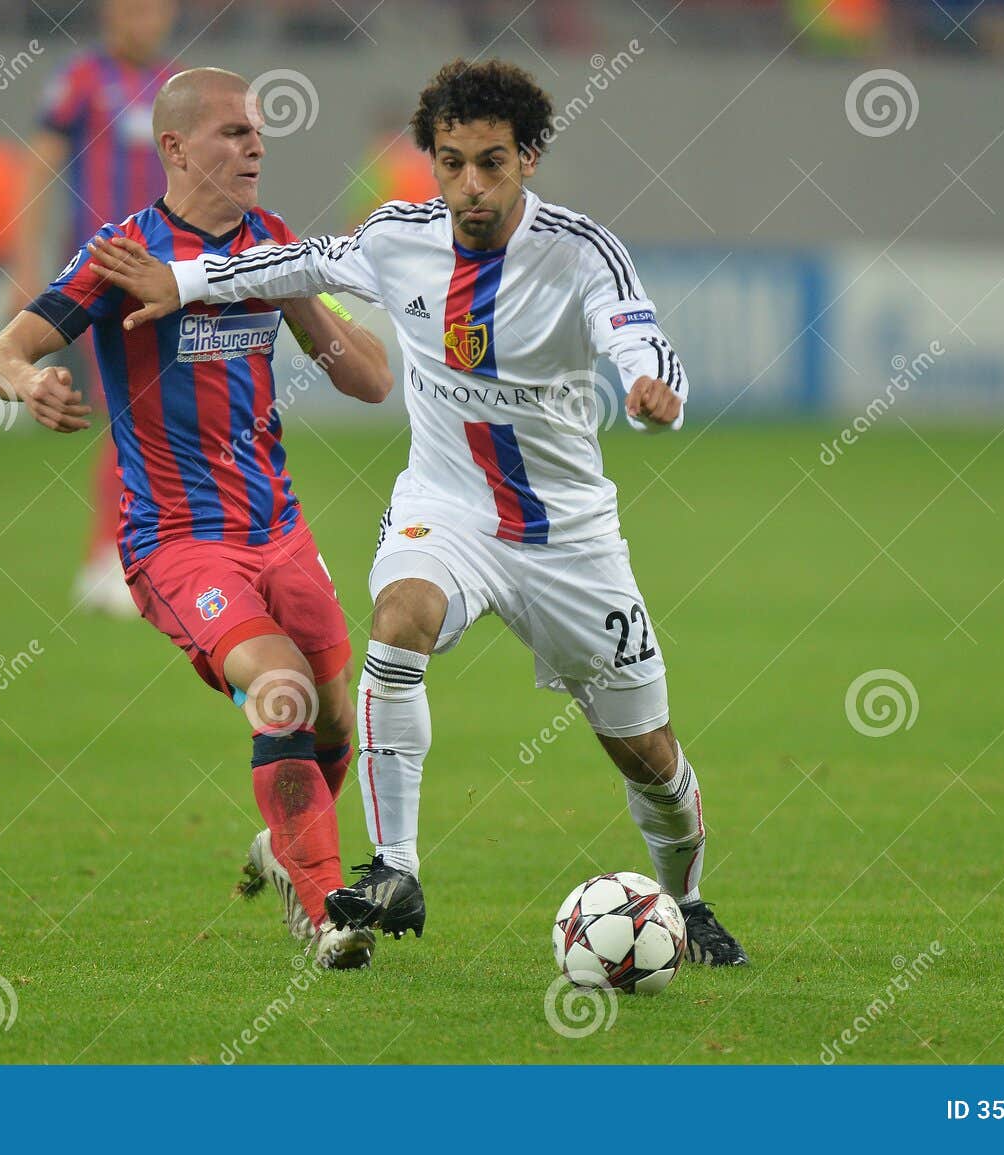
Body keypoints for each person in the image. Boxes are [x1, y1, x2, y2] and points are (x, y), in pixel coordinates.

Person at [81, 59, 748, 969]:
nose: (470, 184)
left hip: (569, 541)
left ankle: (690, 897)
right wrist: (185, 282)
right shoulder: (399, 237)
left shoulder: (579, 250)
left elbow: (636, 329)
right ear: (431, 159)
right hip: (447, 508)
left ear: (529, 160)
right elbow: (294, 261)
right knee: (400, 619)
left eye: (492, 163)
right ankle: (395, 866)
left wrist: (648, 384)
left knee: (649, 757)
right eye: (451, 162)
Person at [0, 67, 394, 969]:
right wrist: (29, 381)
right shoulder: (121, 257)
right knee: (275, 691)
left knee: (330, 730)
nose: (255, 147)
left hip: (280, 529)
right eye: (234, 133)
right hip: (177, 543)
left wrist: (296, 298)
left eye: (257, 134)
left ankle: (281, 849)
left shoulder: (270, 244)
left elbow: (370, 382)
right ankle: (326, 912)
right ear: (174, 147)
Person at [11, 0, 179, 616]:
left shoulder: (177, 86)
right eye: (134, 10)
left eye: (156, 10)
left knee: (157, 417)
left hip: (168, 277)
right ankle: (105, 560)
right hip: (103, 273)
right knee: (130, 416)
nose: (145, 22)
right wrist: (26, 265)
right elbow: (40, 169)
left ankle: (142, 555)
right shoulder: (81, 80)